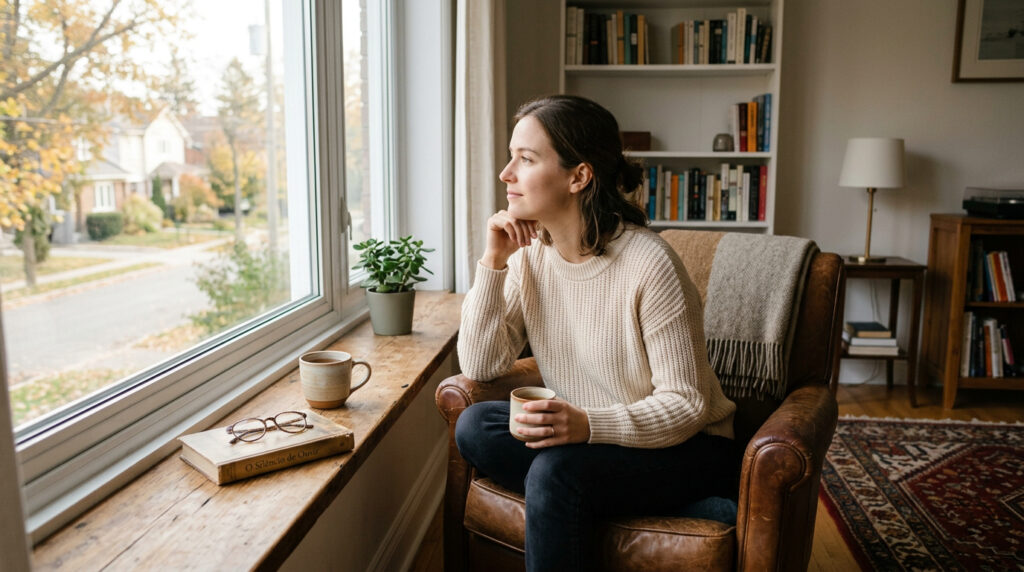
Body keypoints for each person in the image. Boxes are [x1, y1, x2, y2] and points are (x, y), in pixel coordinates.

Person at [455, 94, 739, 572]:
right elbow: (480, 366)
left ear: (579, 176)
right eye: (511, 157)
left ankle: (591, 492)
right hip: (592, 448)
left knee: (554, 472)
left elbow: (687, 403)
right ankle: (682, 510)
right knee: (476, 427)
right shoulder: (529, 258)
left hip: (688, 447)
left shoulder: (649, 264)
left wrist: (588, 425)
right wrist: (493, 262)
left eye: (525, 159)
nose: (506, 173)